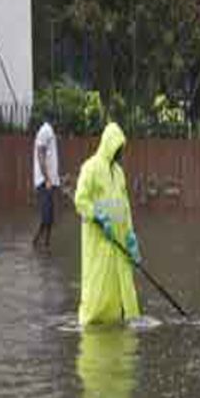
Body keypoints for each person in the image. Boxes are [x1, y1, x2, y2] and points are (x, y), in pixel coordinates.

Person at [73, 122, 141, 326]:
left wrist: (131, 238)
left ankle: (123, 319)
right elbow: (80, 200)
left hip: (119, 242)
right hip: (99, 242)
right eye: (118, 148)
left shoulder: (119, 173)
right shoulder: (90, 168)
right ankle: (94, 323)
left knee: (123, 294)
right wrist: (97, 215)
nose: (120, 152)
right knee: (99, 288)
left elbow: (124, 207)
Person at [32, 119, 60, 250]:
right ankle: (39, 244)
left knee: (49, 217)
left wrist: (55, 179)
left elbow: (49, 157)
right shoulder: (46, 130)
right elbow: (40, 154)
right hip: (44, 182)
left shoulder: (50, 132)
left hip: (49, 181)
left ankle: (43, 244)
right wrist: (47, 179)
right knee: (47, 216)